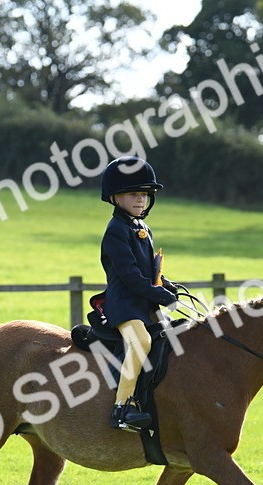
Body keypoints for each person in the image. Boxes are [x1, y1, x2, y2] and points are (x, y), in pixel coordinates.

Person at [99, 156, 180, 431]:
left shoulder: (142, 228)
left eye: (145, 194)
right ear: (115, 197)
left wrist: (166, 285)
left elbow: (146, 271)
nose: (141, 199)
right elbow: (131, 277)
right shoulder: (115, 231)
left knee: (176, 337)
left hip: (144, 303)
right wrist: (160, 296)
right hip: (125, 306)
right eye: (134, 194)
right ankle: (122, 408)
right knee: (141, 342)